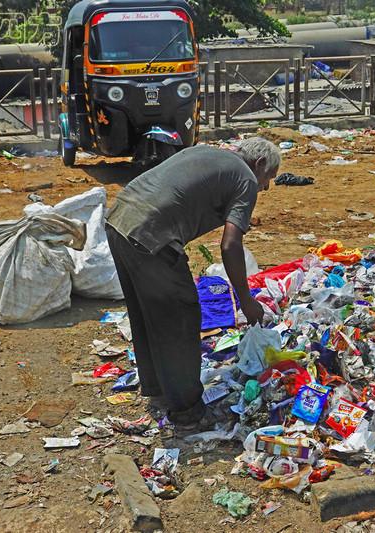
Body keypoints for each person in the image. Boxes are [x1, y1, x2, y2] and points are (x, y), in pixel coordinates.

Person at [105, 138, 281, 429]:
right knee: (181, 317)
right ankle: (187, 412)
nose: (265, 187)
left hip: (119, 220)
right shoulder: (245, 178)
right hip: (152, 234)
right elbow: (230, 245)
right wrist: (245, 300)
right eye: (269, 178)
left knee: (147, 313)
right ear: (259, 164)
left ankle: (159, 391)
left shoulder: (207, 152)